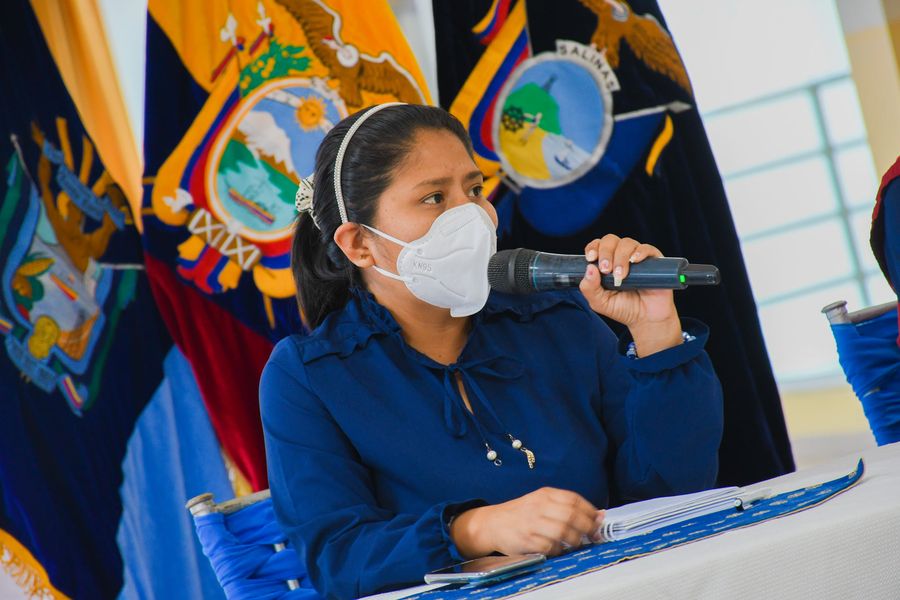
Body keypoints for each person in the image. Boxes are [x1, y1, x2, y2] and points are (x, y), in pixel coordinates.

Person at [260, 103, 723, 599]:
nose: (472, 216)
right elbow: (338, 559)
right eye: (434, 198)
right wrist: (475, 529)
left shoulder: (556, 315)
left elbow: (672, 492)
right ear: (358, 244)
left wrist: (655, 331)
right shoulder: (308, 375)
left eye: (475, 190)